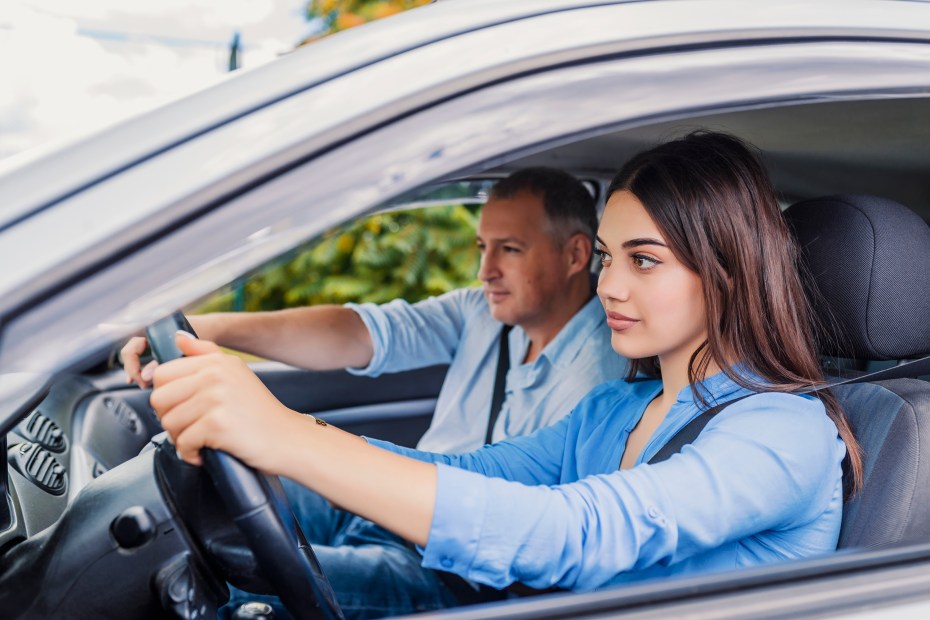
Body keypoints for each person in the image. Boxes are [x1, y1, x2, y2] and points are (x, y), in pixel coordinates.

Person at [149, 131, 863, 619]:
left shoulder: (782, 429)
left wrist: (287, 437)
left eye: (643, 260)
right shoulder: (617, 408)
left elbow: (574, 537)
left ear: (728, 273)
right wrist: (283, 436)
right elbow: (468, 474)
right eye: (611, 258)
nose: (611, 286)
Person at [124, 167, 628, 454]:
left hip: (452, 563)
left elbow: (517, 514)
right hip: (403, 514)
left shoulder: (601, 380)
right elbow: (355, 331)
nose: (485, 271)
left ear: (575, 255)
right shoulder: (482, 313)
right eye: (482, 247)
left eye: (510, 250)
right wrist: (199, 327)